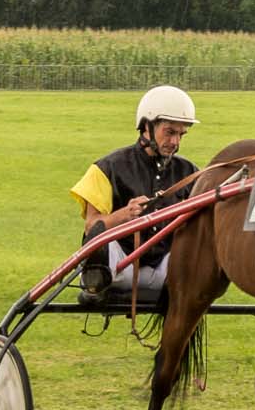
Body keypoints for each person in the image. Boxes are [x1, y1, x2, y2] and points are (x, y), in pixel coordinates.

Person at [69, 86, 200, 303]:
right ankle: (95, 285)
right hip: (120, 269)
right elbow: (91, 227)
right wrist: (124, 215)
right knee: (99, 239)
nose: (175, 142)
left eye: (181, 134)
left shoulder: (190, 173)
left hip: (167, 271)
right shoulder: (106, 168)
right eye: (169, 132)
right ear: (147, 127)